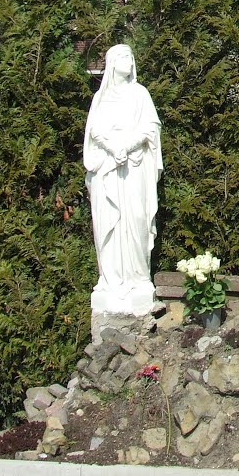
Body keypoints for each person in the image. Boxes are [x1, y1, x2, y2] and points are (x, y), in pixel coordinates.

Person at [84, 44, 163, 315]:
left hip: (134, 169)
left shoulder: (140, 94)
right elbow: (93, 131)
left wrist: (126, 146)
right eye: (125, 57)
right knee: (109, 224)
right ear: (113, 63)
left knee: (137, 220)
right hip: (107, 169)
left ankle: (138, 278)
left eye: (131, 56)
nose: (130, 61)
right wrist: (111, 147)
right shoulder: (100, 98)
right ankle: (111, 279)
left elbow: (151, 128)